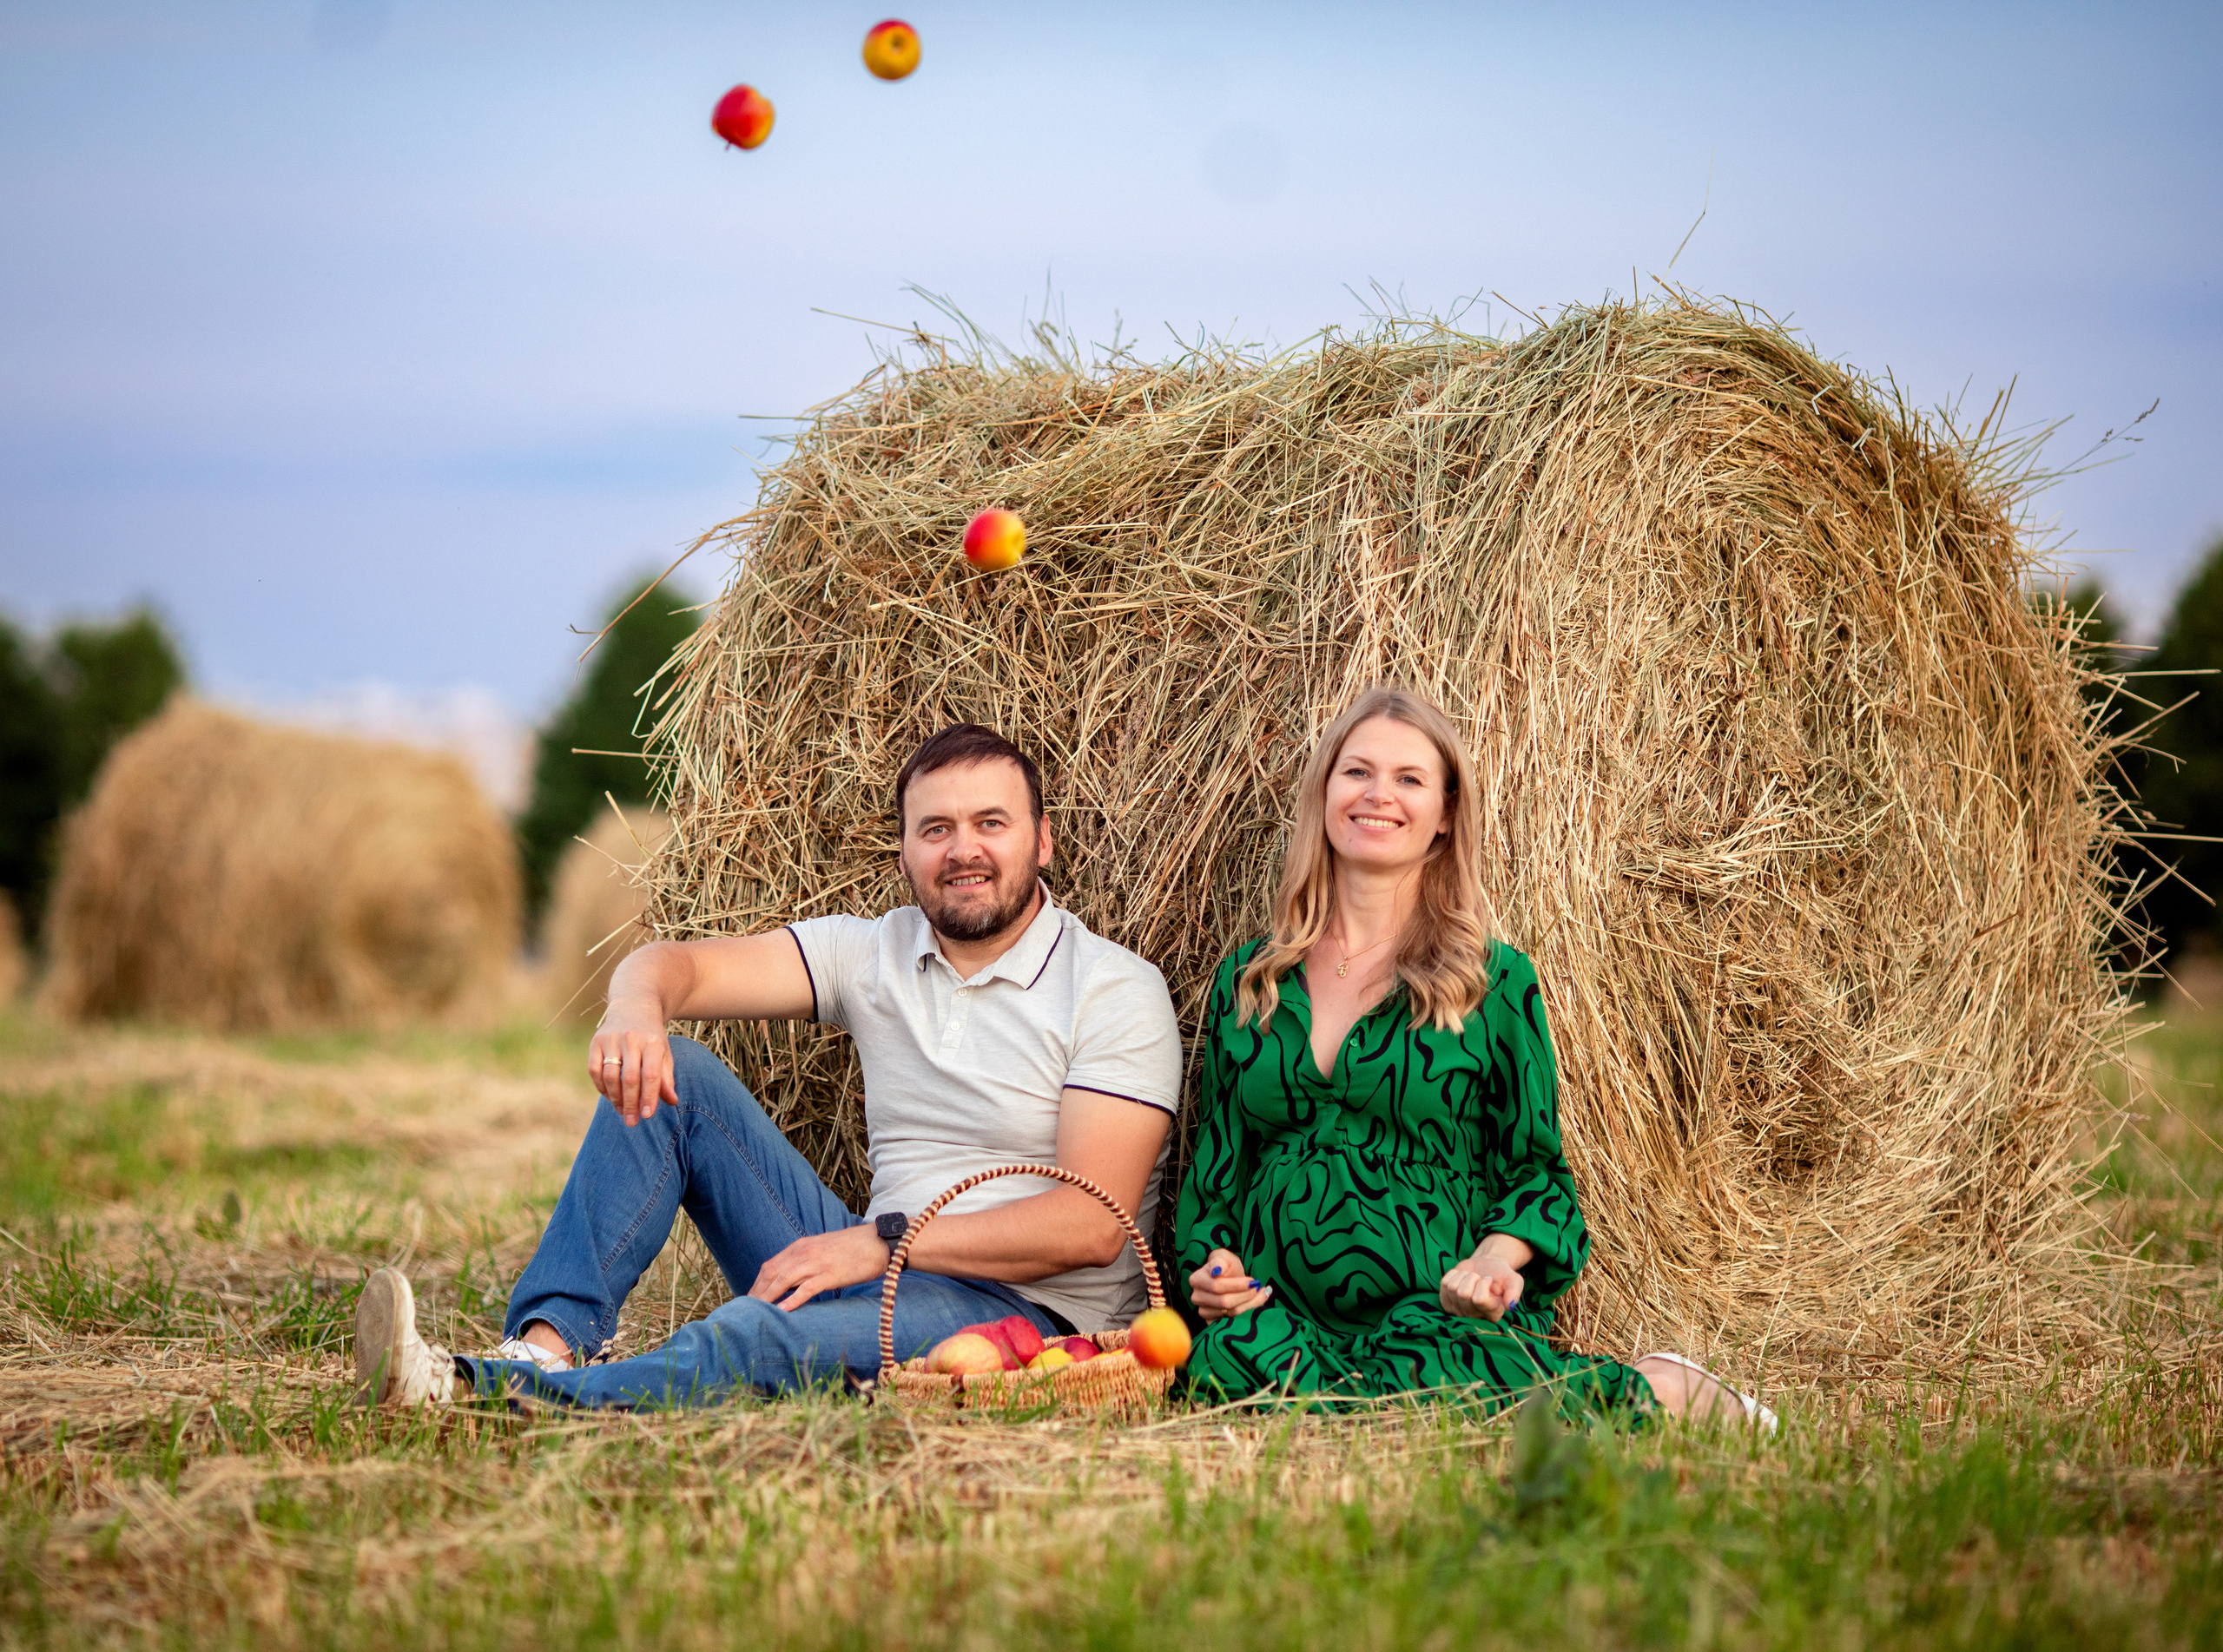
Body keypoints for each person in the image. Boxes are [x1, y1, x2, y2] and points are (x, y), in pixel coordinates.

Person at [354, 724, 1184, 1408]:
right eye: (936, 829)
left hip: (1022, 1314)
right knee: (676, 1078)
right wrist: (636, 1006)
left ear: (1043, 841)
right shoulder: (874, 953)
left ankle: (480, 1398)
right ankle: (542, 1349)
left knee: (753, 1333)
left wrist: (884, 1244)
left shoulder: (1111, 989)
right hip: (874, 1263)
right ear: (903, 852)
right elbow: (678, 964)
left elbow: (1088, 1225)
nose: (963, 850)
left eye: (990, 823)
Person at [1176, 687, 1774, 1428]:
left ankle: (1668, 1387)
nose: (1377, 795)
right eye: (1356, 772)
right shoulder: (1251, 979)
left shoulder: (1493, 982)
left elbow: (1537, 1173)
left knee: (1429, 1385)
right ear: (1324, 793)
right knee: (1220, 1368)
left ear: (1446, 814)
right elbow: (1217, 1173)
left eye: (1409, 779)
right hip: (1277, 1309)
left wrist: (1493, 1261)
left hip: (1430, 1302)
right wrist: (1214, 1273)